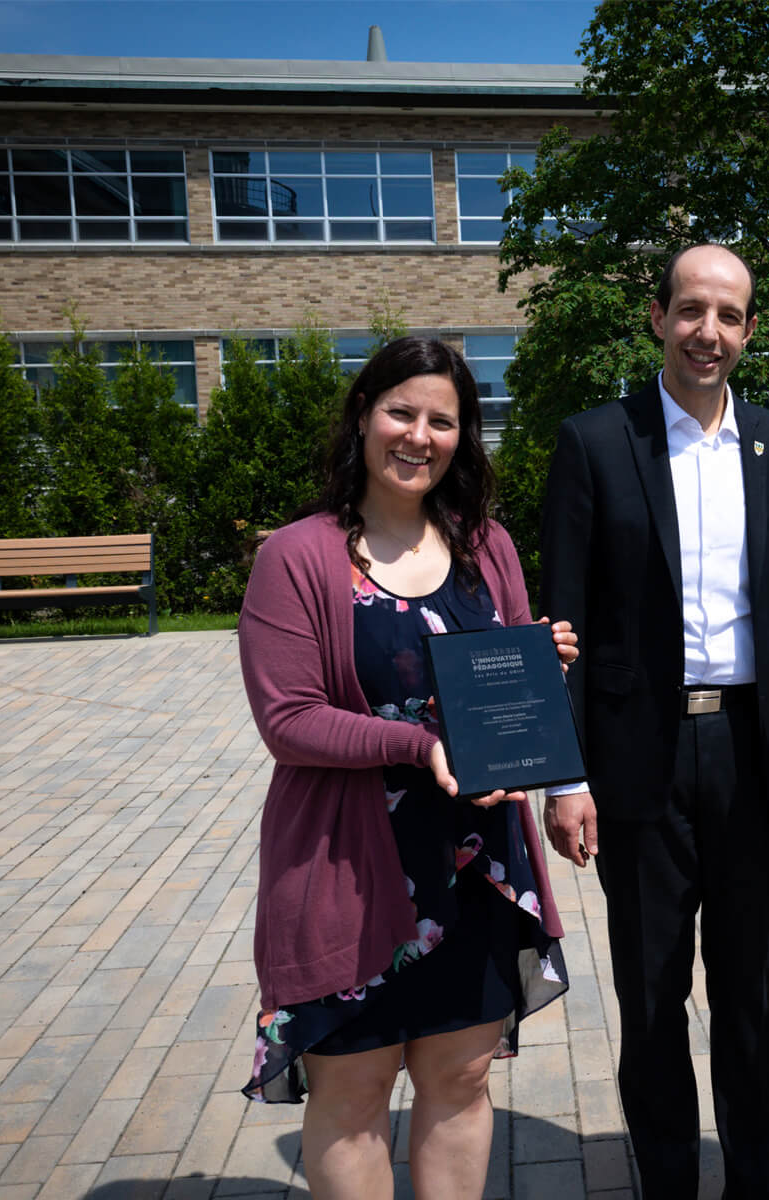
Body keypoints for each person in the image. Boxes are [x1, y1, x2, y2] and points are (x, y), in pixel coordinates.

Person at [539, 243, 769, 1199]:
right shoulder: (594, 443)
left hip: (756, 754)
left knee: (750, 994)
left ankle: (755, 1182)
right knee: (652, 994)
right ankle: (667, 1182)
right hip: (640, 760)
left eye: (728, 315)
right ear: (659, 319)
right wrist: (565, 775)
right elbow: (565, 624)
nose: (707, 331)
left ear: (749, 331)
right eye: (690, 310)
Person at [237, 336, 574, 1200]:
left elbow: (505, 686)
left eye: (443, 420)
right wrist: (419, 745)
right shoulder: (297, 556)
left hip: (475, 866)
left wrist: (540, 662)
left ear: (463, 436)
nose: (419, 435)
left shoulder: (483, 546)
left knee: (461, 1082)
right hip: (349, 869)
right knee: (352, 1094)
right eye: (402, 412)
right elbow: (289, 719)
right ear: (363, 415)